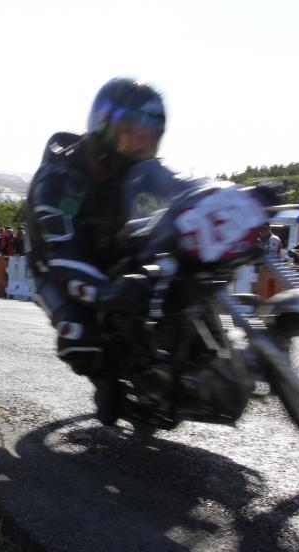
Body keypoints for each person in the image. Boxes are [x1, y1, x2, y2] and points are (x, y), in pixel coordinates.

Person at [25, 77, 205, 424]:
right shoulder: (61, 179)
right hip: (54, 263)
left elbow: (181, 189)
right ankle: (106, 379)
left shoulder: (140, 170)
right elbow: (62, 254)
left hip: (113, 247)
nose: (139, 145)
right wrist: (106, 291)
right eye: (130, 132)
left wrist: (234, 197)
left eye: (149, 136)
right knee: (81, 336)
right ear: (103, 126)